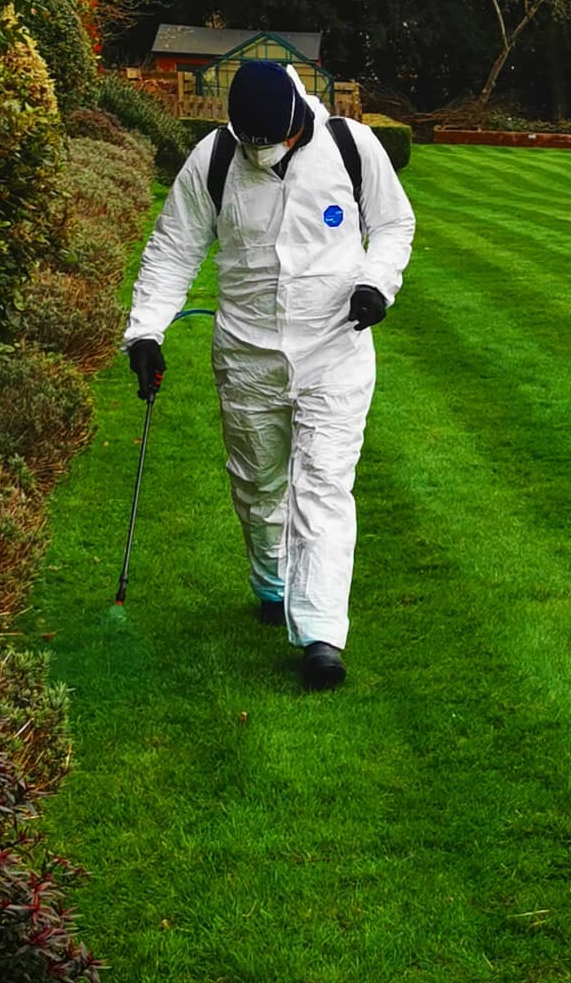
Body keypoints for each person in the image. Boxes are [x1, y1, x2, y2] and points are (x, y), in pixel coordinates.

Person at [122, 60, 415, 691]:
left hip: (334, 350)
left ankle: (321, 635)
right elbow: (175, 246)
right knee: (258, 486)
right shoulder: (214, 159)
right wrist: (146, 330)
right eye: (253, 143)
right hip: (247, 355)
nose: (264, 154)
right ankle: (273, 582)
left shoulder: (348, 146)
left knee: (324, 487)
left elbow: (393, 225)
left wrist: (375, 282)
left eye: (275, 141)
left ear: (298, 121)